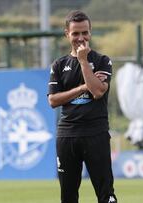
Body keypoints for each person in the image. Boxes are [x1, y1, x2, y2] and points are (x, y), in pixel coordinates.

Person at [48, 10, 117, 203]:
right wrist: (84, 87)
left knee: (107, 195)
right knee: (68, 196)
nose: (81, 38)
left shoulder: (103, 60)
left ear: (90, 32)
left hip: (96, 134)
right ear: (66, 34)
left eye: (84, 32)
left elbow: (97, 92)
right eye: (76, 33)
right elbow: (53, 100)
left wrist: (83, 61)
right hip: (67, 136)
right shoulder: (59, 65)